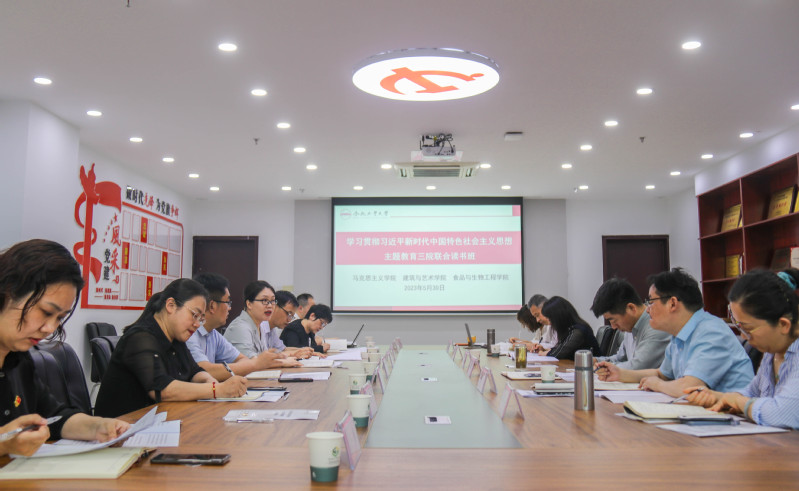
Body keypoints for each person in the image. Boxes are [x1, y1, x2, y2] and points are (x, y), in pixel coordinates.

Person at [0, 239, 129, 456]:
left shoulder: (19, 361)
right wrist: (4, 444)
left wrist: (98, 426)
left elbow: (55, 416)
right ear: (9, 291)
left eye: (60, 318)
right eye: (46, 312)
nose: (50, 328)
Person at [94, 278, 248, 417]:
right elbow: (162, 390)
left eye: (201, 319)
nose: (197, 324)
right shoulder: (140, 338)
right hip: (122, 427)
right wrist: (217, 390)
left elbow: (194, 371)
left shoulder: (176, 337)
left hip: (159, 419)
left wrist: (210, 381)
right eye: (194, 315)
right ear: (171, 306)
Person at [597, 268, 754, 397]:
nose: (648, 309)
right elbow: (662, 374)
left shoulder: (711, 332)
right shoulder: (679, 335)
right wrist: (620, 374)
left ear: (672, 303)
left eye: (651, 302)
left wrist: (658, 385)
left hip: (734, 419)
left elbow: (689, 387)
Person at [684, 270, 799, 429]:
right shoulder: (772, 352)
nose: (744, 337)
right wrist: (718, 397)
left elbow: (782, 414)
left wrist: (738, 401)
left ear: (783, 325)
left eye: (748, 329)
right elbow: (751, 393)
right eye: (738, 327)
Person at [186, 273, 300, 381]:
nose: (230, 308)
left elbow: (243, 360)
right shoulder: (190, 333)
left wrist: (254, 363)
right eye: (227, 302)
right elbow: (203, 370)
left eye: (272, 301)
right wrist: (257, 363)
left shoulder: (213, 334)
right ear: (212, 306)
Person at [591, 278, 671, 369]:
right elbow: (620, 358)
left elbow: (637, 367)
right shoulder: (630, 326)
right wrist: (596, 361)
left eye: (613, 320)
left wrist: (604, 368)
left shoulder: (656, 326)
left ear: (631, 308)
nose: (613, 327)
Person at [223, 282, 312, 359]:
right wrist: (287, 357)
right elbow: (250, 361)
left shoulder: (260, 326)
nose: (270, 305)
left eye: (272, 301)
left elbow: (277, 351)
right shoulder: (240, 327)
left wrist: (298, 352)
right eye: (264, 300)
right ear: (249, 304)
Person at [535, 296, 601, 360]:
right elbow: (561, 348)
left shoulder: (578, 331)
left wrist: (543, 353)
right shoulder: (568, 330)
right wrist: (544, 349)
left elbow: (560, 353)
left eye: (550, 318)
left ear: (558, 317)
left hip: (591, 366)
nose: (550, 322)